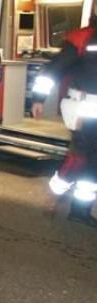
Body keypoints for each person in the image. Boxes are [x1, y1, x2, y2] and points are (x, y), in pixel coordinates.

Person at [31, 18, 97, 228]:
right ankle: (54, 195)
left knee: (94, 163)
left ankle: (80, 209)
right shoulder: (82, 37)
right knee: (79, 157)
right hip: (83, 107)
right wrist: (39, 99)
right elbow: (53, 70)